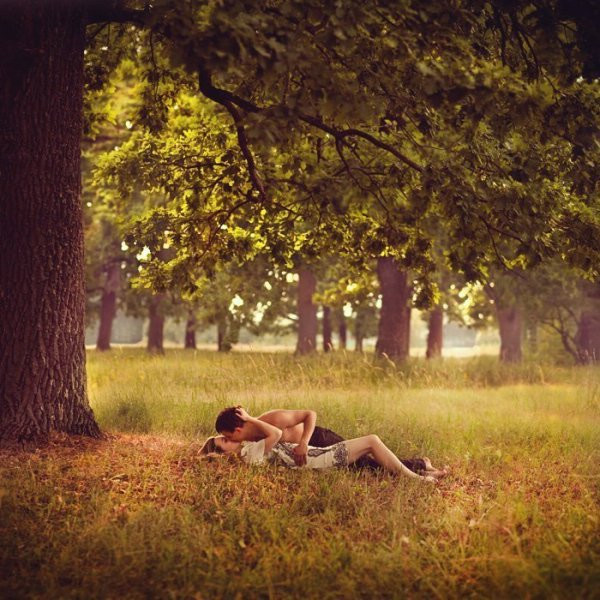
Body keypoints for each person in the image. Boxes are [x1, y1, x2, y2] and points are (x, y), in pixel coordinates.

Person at [201, 407, 447, 482]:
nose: (230, 440)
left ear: (237, 429)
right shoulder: (248, 448)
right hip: (315, 458)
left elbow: (310, 414)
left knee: (367, 464)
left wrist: (304, 443)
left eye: (227, 436)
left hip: (318, 440)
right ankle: (420, 467)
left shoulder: (271, 420)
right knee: (367, 467)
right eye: (225, 440)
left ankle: (419, 468)